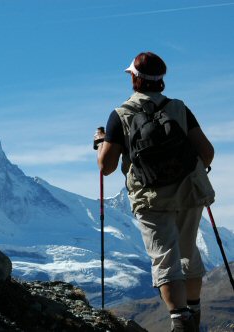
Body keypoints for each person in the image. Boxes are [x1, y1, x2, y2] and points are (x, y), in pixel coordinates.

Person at [94, 52, 215, 332]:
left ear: (135, 79)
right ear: (161, 80)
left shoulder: (121, 114)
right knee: (188, 252)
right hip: (189, 192)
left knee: (164, 257)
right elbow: (207, 152)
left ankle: (179, 320)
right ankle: (193, 313)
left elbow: (107, 167)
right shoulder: (179, 109)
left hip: (151, 198)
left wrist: (102, 142)